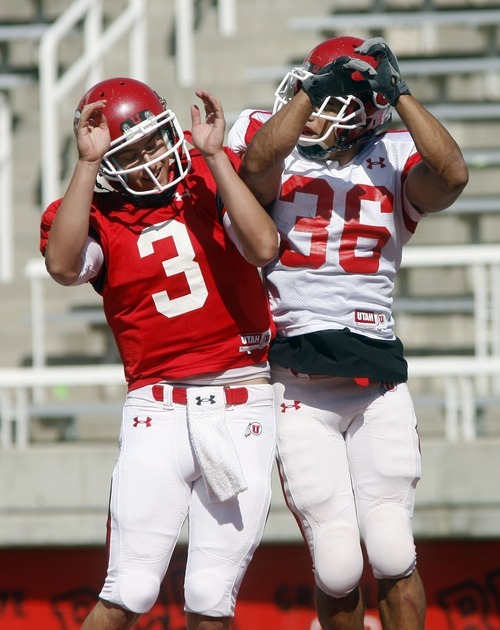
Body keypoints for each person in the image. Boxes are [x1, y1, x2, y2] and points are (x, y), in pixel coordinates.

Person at [228, 36, 469, 629]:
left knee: (391, 549)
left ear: (367, 117)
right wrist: (317, 87)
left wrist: (399, 93)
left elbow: (454, 175)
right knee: (336, 565)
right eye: (310, 92)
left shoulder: (394, 149)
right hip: (297, 379)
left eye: (332, 104)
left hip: (375, 373)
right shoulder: (265, 134)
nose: (313, 112)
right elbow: (257, 164)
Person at [40, 77, 279, 630]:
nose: (151, 158)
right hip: (159, 406)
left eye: (154, 141)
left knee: (210, 593)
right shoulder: (95, 210)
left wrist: (217, 158)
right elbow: (62, 265)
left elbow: (263, 246)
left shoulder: (206, 175)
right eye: (134, 152)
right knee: (131, 587)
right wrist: (87, 165)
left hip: (241, 399)